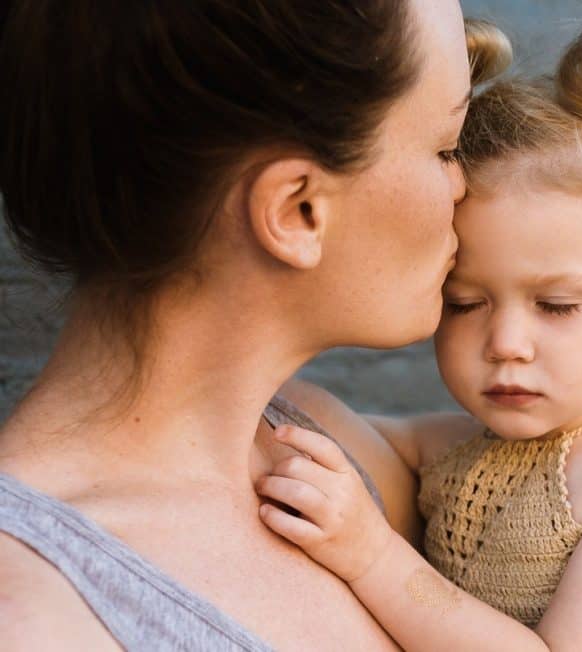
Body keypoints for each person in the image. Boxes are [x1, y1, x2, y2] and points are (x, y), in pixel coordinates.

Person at [0, 0, 509, 649]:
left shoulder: (325, 447)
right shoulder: (34, 617)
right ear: (298, 210)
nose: (464, 187)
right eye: (446, 147)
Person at [255, 5, 582, 651]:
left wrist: (370, 555)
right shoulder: (455, 449)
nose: (506, 343)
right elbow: (329, 426)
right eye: (465, 302)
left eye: (555, 306)